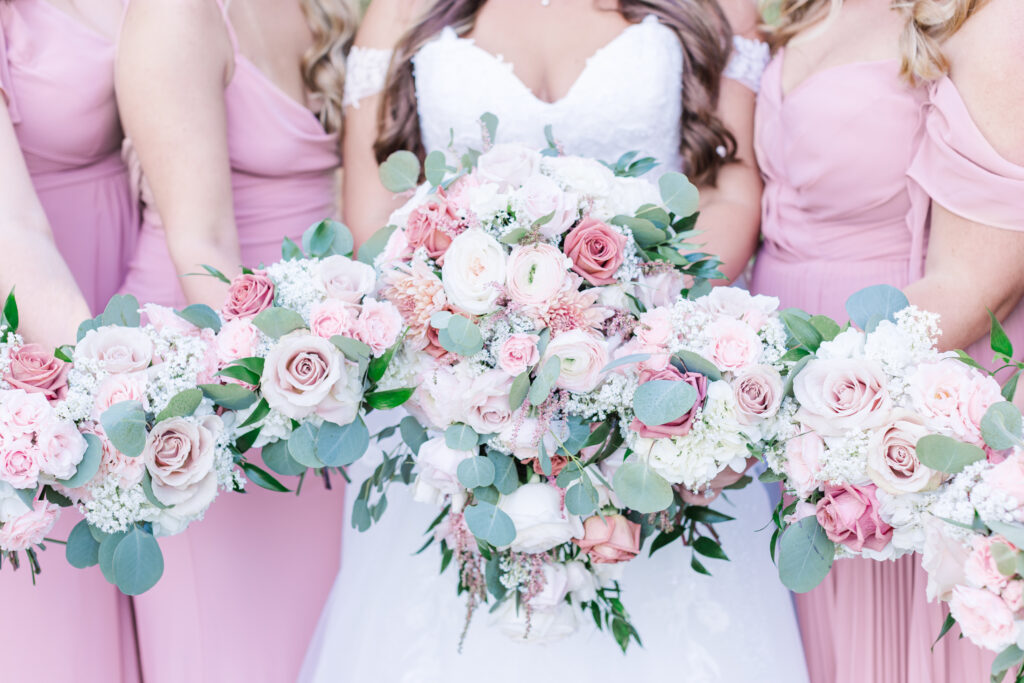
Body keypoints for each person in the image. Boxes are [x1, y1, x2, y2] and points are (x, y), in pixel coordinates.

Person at [301, 1, 809, 681]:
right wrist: (479, 340)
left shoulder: (717, 8)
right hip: (457, 399)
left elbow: (729, 191)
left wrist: (634, 316)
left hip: (652, 381)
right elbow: (372, 220)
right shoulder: (399, 11)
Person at [749, 0, 1024, 680]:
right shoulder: (805, 6)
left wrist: (806, 392)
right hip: (786, 411)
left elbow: (973, 281)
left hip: (891, 395)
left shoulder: (988, 16)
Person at [115, 0, 354, 679]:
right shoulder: (176, 15)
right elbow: (203, 245)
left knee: (318, 644)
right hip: (212, 384)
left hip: (316, 372)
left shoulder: (319, 9)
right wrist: (286, 386)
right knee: (226, 653)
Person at [0, 1, 142, 680]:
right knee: (65, 621)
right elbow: (13, 234)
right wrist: (108, 390)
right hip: (47, 326)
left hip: (134, 290)